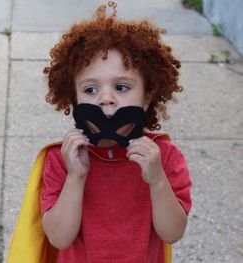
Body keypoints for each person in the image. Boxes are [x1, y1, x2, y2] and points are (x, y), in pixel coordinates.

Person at [38, 1, 192, 262]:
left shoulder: (164, 157)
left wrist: (157, 180)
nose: (105, 99)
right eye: (90, 89)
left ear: (147, 96)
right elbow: (59, 238)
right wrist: (76, 177)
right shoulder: (62, 160)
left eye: (121, 87)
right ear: (73, 98)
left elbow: (173, 232)